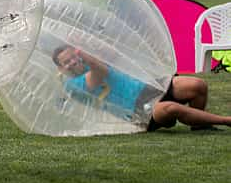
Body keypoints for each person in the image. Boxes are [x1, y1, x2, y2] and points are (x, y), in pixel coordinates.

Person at [53, 45, 231, 132]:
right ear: (61, 69)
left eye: (72, 57)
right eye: (66, 62)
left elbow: (114, 52)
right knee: (171, 108)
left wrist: (87, 46)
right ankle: (224, 120)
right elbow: (99, 72)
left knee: (197, 86)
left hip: (148, 86)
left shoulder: (90, 61)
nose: (73, 62)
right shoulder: (73, 85)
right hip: (138, 109)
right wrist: (82, 53)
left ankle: (199, 125)